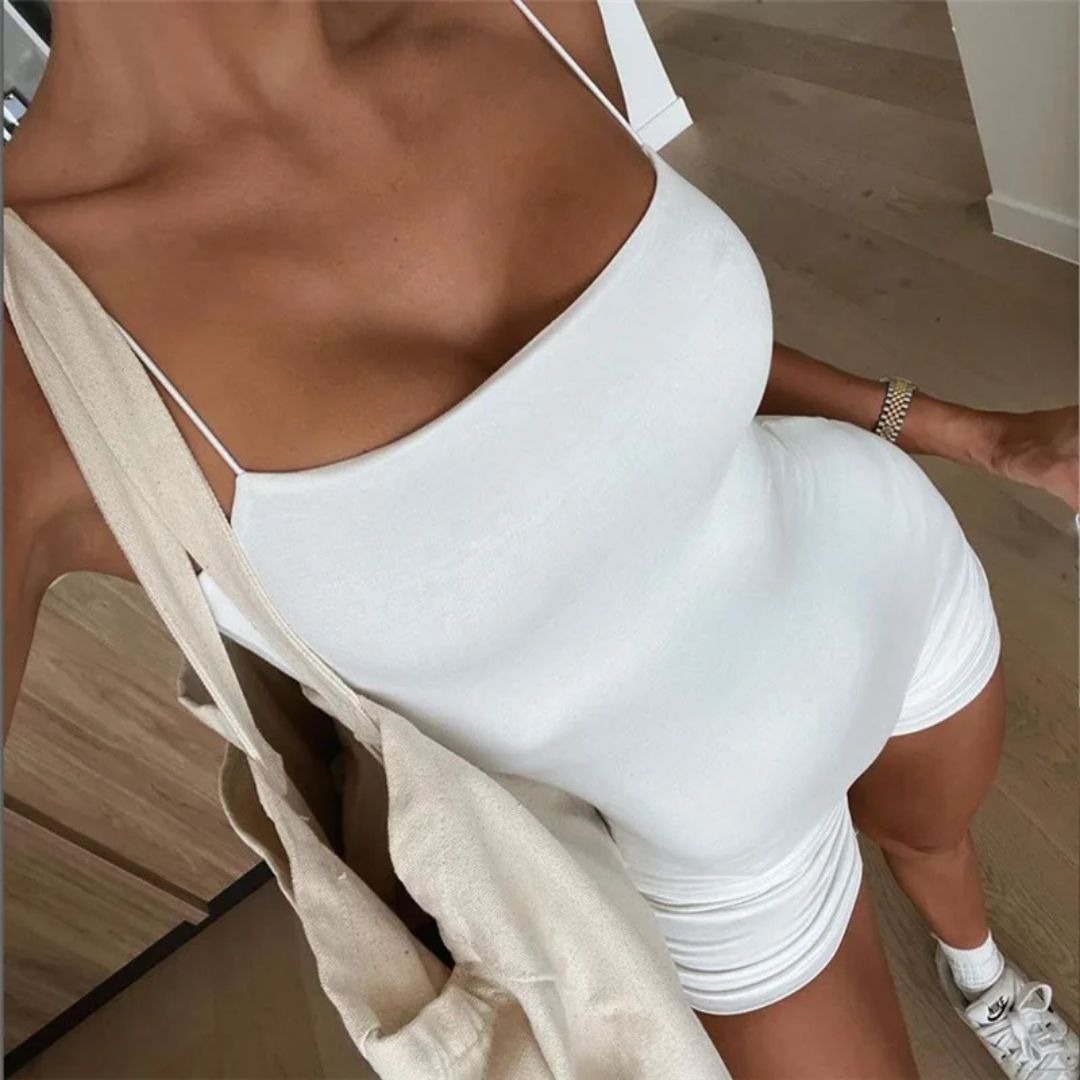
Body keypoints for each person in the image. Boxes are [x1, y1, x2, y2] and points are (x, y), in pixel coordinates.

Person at [4, 2, 1077, 1077]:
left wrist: (976, 437)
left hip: (896, 577)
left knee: (936, 841)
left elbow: (631, 375)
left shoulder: (520, 10)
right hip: (720, 855)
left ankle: (980, 974)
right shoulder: (32, 367)